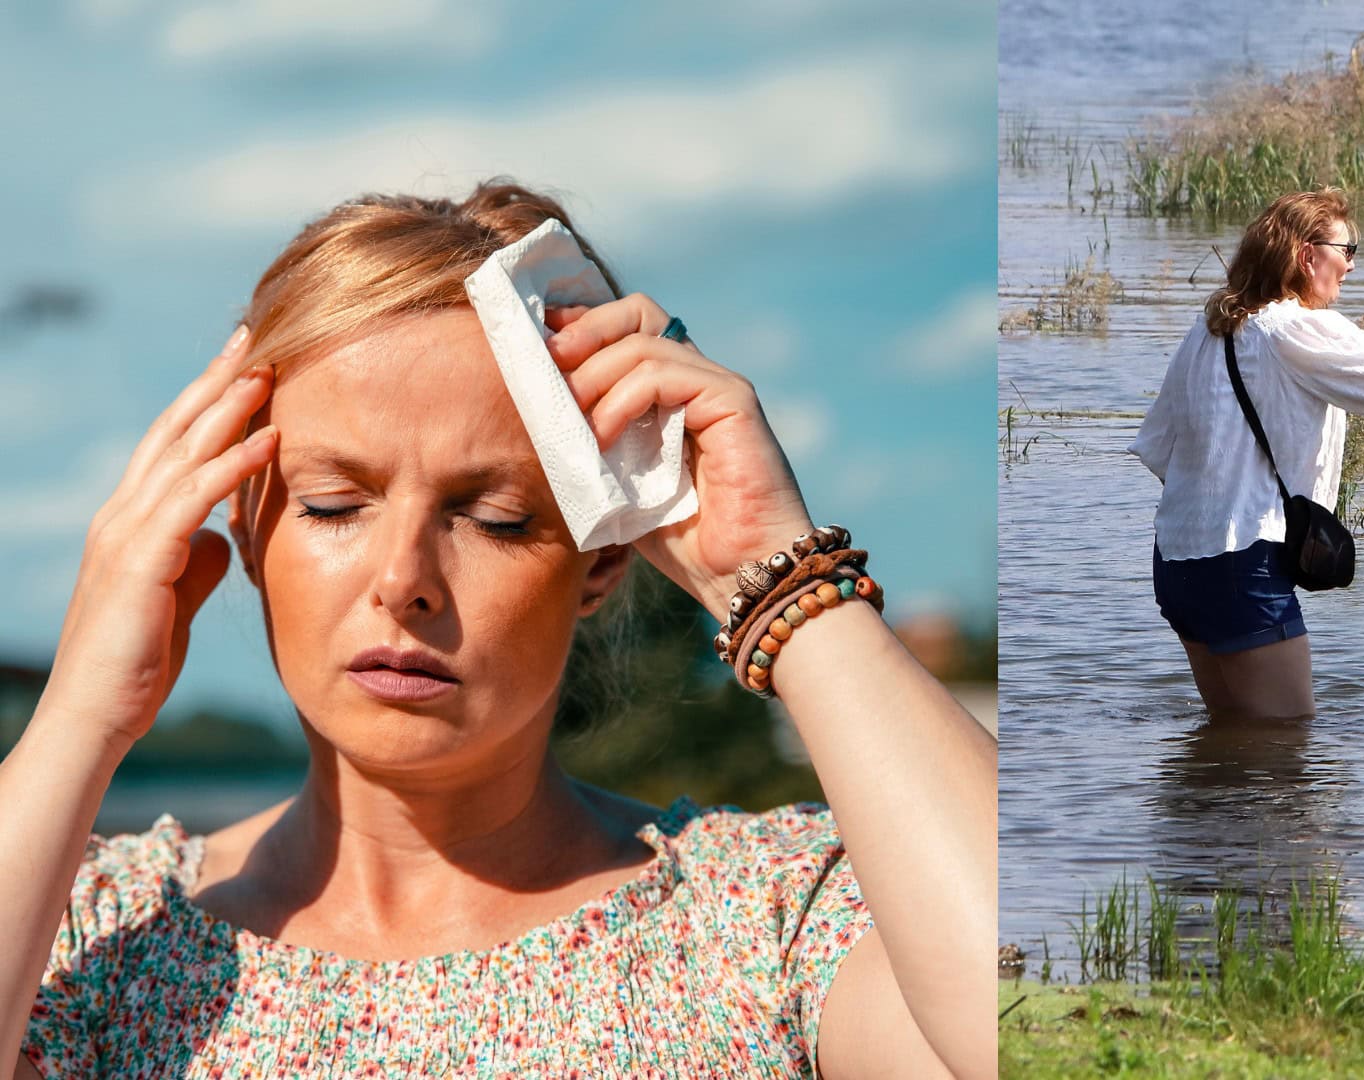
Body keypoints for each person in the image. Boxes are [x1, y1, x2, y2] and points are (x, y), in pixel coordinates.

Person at [0, 182, 996, 1079]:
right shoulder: (91, 931)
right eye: (335, 504)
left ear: (601, 557)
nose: (403, 582)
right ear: (248, 530)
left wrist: (781, 580)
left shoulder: (763, 925)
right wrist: (81, 717)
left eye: (496, 518)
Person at [1129, 188, 1364, 723]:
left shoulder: (1205, 333)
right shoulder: (1294, 326)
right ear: (1305, 254)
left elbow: (1161, 453)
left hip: (1177, 561)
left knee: (1230, 747)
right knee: (1287, 750)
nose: (1352, 267)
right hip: (1243, 560)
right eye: (1347, 249)